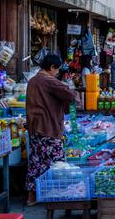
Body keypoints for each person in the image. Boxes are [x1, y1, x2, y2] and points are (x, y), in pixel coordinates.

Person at [25, 55, 77, 206]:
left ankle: (32, 197)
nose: (57, 73)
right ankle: (59, 196)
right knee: (58, 164)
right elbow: (70, 94)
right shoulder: (48, 80)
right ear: (52, 67)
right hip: (48, 127)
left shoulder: (32, 81)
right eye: (57, 70)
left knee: (36, 162)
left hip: (35, 128)